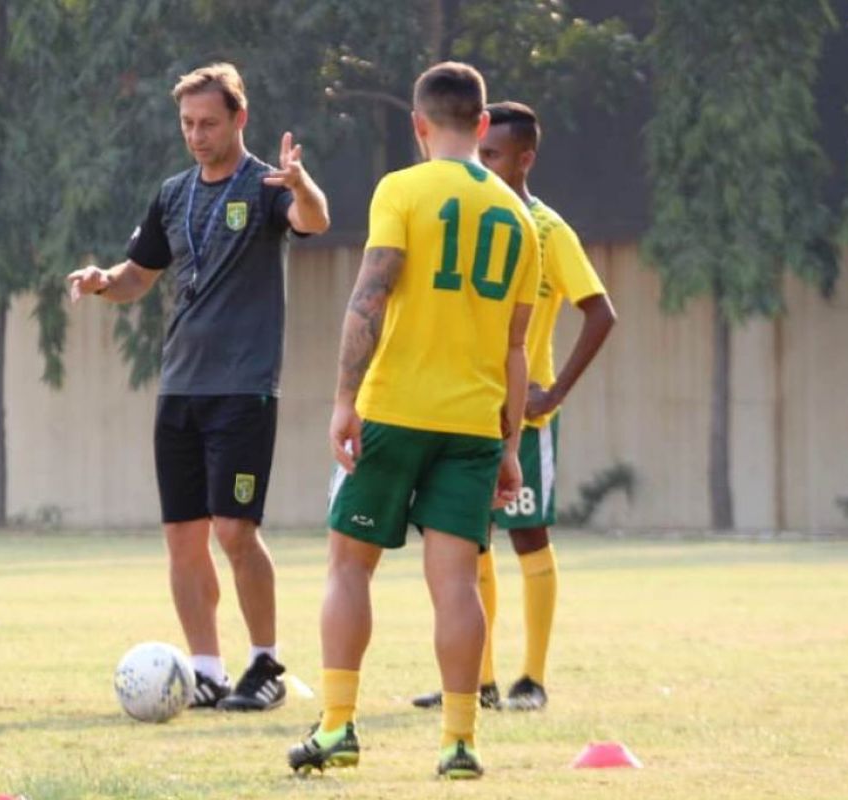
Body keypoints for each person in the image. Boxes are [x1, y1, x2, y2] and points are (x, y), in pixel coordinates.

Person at [287, 63, 540, 780]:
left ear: (420, 126)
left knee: (348, 566)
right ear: (484, 125)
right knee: (456, 585)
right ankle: (460, 742)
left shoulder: (401, 189)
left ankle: (337, 727)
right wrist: (512, 443)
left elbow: (370, 297)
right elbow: (517, 348)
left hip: (395, 410)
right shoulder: (521, 217)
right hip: (474, 426)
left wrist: (344, 399)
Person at [66, 63, 329, 712]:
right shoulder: (173, 193)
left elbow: (314, 222)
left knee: (235, 530)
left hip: (243, 387)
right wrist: (104, 280)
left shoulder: (269, 186)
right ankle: (207, 670)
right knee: (183, 536)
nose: (196, 134)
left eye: (209, 122)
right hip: (179, 386)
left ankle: (264, 664)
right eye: (187, 123)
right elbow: (139, 276)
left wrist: (303, 184)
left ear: (240, 118)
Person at [411, 101, 617, 712]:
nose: (484, 163)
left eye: (495, 155)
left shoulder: (549, 230)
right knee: (470, 542)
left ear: (525, 159)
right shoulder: (475, 221)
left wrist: (552, 393)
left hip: (524, 420)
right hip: (468, 410)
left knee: (528, 536)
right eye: (481, 152)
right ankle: (480, 681)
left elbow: (601, 312)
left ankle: (532, 678)